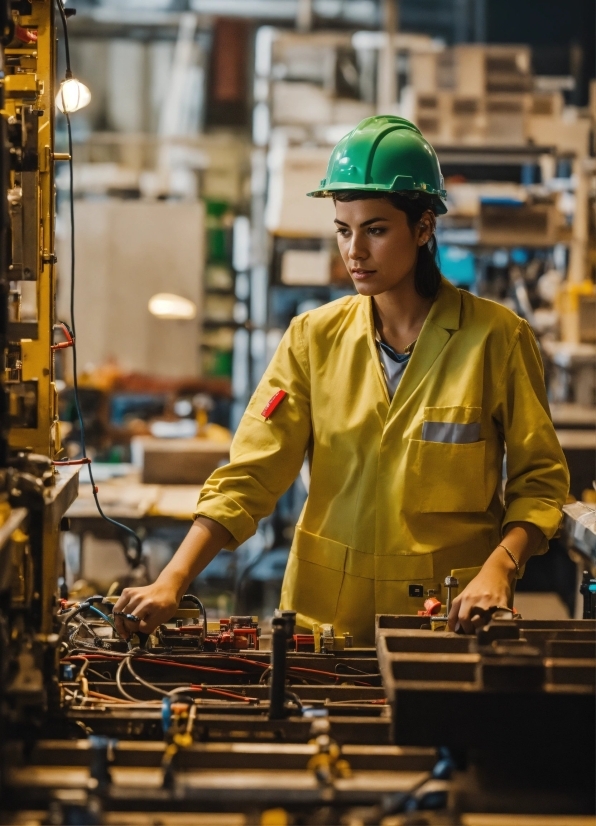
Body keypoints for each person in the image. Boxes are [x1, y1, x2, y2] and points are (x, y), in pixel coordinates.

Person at [114, 116, 569, 645]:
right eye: (343, 230)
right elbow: (251, 475)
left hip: (448, 621)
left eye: (375, 230)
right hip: (322, 628)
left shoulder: (497, 339)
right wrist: (172, 580)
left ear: (423, 228)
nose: (354, 251)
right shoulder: (314, 339)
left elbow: (540, 484)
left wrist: (501, 567)